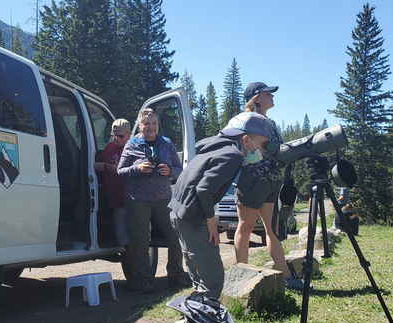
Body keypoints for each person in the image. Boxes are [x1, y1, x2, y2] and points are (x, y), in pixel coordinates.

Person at [169, 112, 275, 299]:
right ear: (246, 139)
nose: (265, 150)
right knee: (214, 279)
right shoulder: (232, 155)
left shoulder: (218, 146)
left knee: (198, 269)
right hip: (194, 214)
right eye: (263, 144)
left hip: (178, 210)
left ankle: (196, 315)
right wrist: (211, 221)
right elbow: (204, 190)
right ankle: (206, 318)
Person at [234, 82, 303, 290]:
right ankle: (241, 278)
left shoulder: (270, 122)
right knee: (245, 228)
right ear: (256, 99)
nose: (272, 97)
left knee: (271, 231)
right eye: (268, 94)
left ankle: (287, 277)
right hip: (251, 180)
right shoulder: (243, 120)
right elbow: (237, 147)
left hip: (271, 182)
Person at [117, 108, 188, 294]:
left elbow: (180, 169)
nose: (151, 127)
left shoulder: (166, 143)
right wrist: (137, 168)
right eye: (147, 124)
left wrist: (169, 171)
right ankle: (145, 279)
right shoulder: (132, 144)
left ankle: (176, 275)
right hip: (138, 200)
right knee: (141, 241)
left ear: (158, 125)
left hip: (164, 198)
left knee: (175, 235)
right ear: (140, 126)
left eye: (154, 124)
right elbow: (120, 171)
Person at [94, 119, 136, 289]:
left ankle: (137, 274)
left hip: (134, 201)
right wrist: (98, 166)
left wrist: (114, 168)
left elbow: (134, 172)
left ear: (129, 134)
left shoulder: (135, 149)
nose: (116, 139)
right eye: (114, 135)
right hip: (116, 202)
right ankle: (134, 273)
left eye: (120, 136)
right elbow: (103, 167)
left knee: (137, 239)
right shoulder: (108, 149)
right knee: (124, 239)